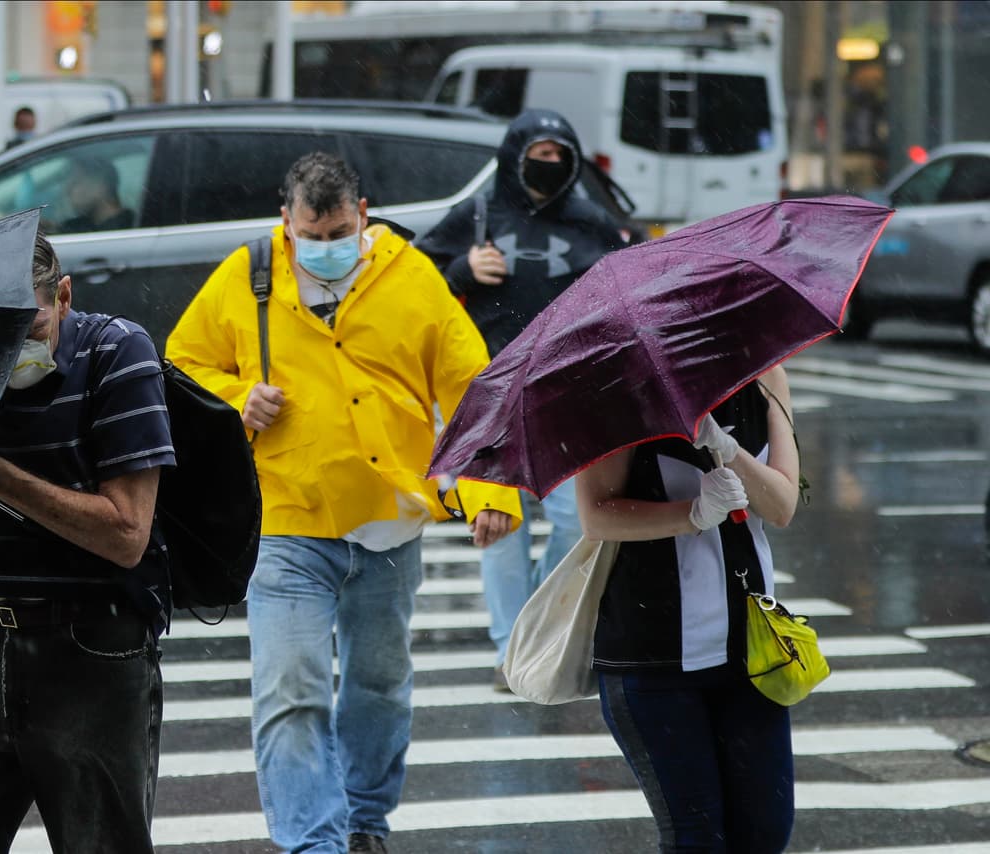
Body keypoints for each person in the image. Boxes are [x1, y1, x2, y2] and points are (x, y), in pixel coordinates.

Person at [166, 151, 521, 854]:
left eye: (337, 233)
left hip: (389, 525)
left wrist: (491, 490)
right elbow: (183, 363)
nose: (324, 248)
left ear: (363, 216)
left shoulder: (411, 278)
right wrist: (239, 398)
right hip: (288, 519)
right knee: (290, 690)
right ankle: (313, 842)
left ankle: (364, 820)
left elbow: (472, 387)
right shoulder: (248, 274)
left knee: (378, 688)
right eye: (310, 234)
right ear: (285, 220)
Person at [0, 233, 175, 854]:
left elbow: (127, 534)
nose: (9, 347)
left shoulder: (117, 354)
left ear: (64, 296)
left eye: (29, 324)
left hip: (91, 651)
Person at [416, 108, 627, 691]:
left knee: (573, 520)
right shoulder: (478, 213)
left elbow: (627, 292)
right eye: (538, 154)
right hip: (492, 395)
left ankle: (542, 626)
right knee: (497, 524)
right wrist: (461, 267)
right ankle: (512, 649)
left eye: (560, 156)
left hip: (570, 393)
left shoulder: (593, 223)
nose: (549, 166)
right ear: (514, 155)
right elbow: (415, 278)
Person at [575, 367, 801, 853]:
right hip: (652, 654)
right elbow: (597, 514)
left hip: (752, 651)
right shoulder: (617, 385)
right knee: (696, 839)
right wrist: (693, 514)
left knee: (764, 832)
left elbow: (782, 505)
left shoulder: (766, 376)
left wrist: (728, 451)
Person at [58, 155, 136, 233]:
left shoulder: (124, 230)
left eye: (75, 183)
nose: (67, 190)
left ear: (101, 187)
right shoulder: (87, 224)